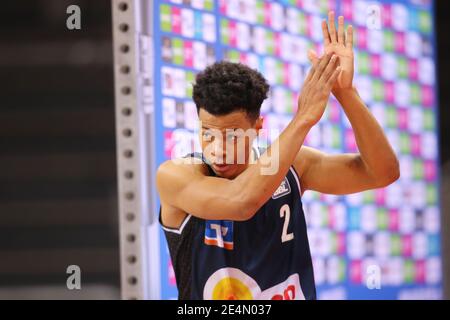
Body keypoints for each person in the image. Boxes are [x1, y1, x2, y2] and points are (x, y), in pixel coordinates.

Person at [156, 12, 399, 300]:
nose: (217, 149)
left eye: (232, 136)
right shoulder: (176, 175)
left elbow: (383, 172)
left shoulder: (293, 166)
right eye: (207, 132)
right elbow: (242, 201)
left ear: (258, 127)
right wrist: (304, 118)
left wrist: (345, 92)